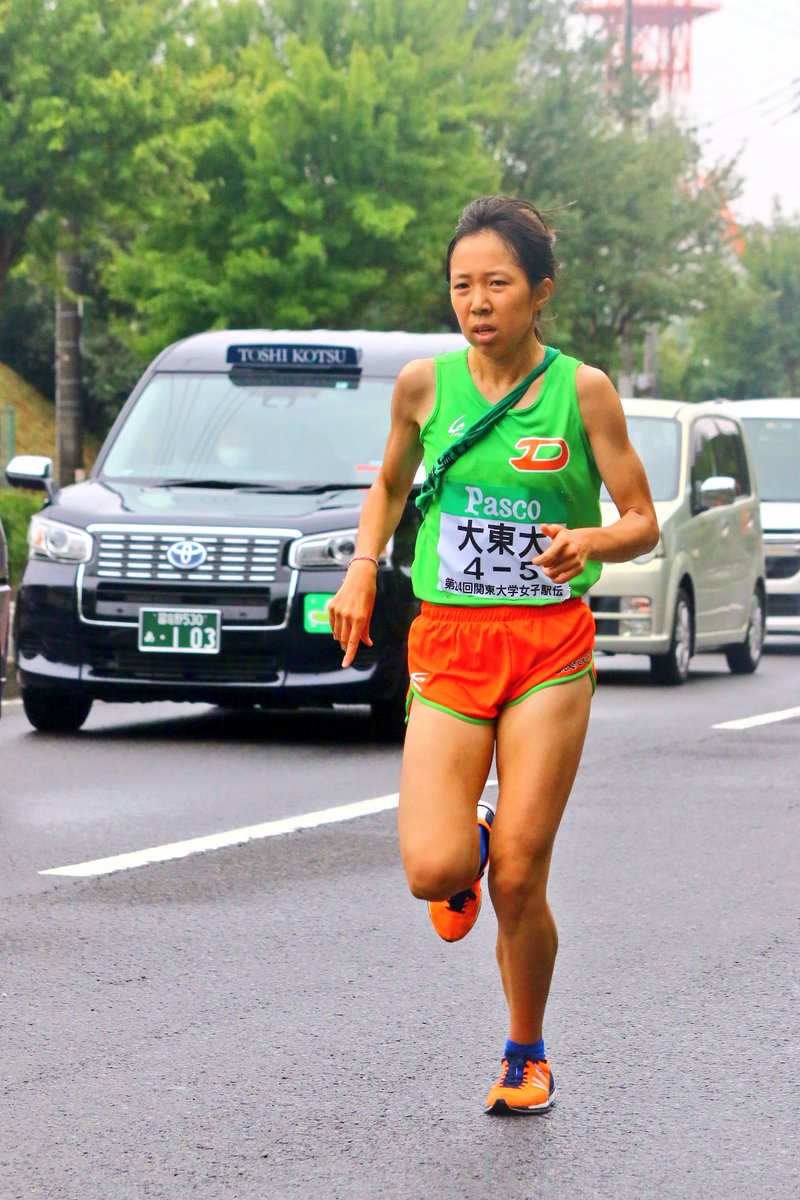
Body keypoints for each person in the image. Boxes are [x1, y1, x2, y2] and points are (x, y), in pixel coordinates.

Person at [328, 195, 659, 1114]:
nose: (476, 301)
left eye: (497, 284)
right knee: (437, 872)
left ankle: (525, 1051)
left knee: (519, 874)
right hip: (448, 636)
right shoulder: (422, 388)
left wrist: (589, 541)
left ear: (539, 292)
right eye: (461, 285)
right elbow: (388, 489)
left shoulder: (582, 389)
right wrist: (361, 569)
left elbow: (642, 522)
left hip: (549, 645)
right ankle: (464, 836)